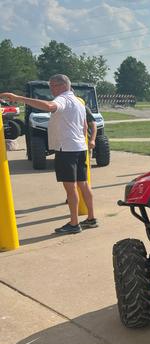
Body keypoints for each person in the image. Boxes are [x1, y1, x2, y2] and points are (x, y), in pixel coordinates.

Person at [0, 74, 97, 234]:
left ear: (62, 86)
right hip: (79, 147)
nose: (51, 89)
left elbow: (50, 107)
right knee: (83, 184)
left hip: (66, 149)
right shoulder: (78, 102)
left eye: (52, 86)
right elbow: (85, 126)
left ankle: (74, 223)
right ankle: (91, 218)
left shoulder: (63, 99)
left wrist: (18, 98)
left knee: (71, 188)